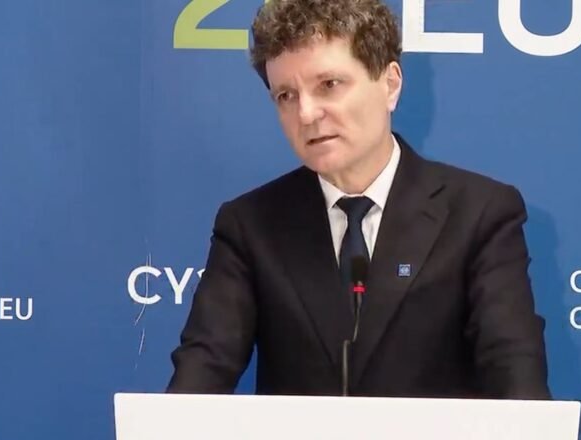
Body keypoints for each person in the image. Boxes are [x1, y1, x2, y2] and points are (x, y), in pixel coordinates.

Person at [166, 0, 550, 399]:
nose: (307, 113)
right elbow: (200, 377)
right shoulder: (249, 225)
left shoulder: (480, 214)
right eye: (286, 95)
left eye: (328, 85)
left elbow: (517, 386)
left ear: (390, 84)